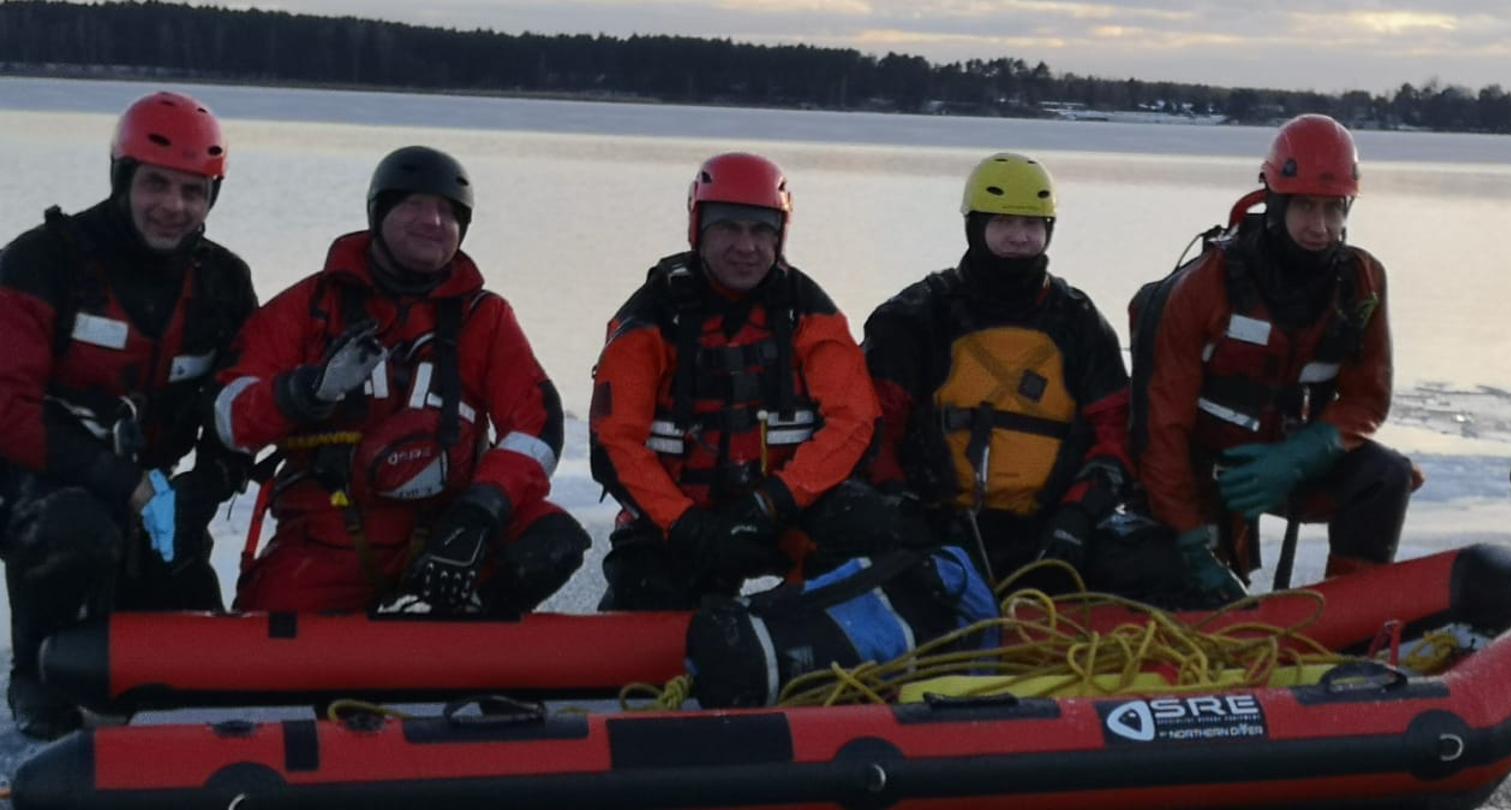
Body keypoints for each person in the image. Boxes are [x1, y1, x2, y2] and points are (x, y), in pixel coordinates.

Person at [212, 145, 587, 615]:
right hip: (330, 537)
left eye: (448, 212)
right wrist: (306, 391)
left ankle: (460, 633)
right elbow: (230, 417)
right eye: (414, 204)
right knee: (271, 631)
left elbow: (536, 427)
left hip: (451, 537)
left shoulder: (485, 318)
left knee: (552, 541)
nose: (433, 221)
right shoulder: (311, 306)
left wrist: (481, 511)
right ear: (378, 213)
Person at [0, 91, 257, 739]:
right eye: (156, 184)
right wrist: (122, 483)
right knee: (75, 530)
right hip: (38, 475)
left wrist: (209, 484)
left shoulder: (224, 283)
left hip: (154, 489)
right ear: (122, 179)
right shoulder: (43, 261)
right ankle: (38, 675)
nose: (174, 206)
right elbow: (6, 407)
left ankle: (133, 665)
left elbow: (243, 402)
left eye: (194, 191)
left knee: (192, 624)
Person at [862, 152, 1215, 601]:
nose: (1019, 237)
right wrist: (900, 505)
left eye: (1032, 225)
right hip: (938, 527)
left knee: (1163, 564)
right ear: (974, 226)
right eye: (1003, 223)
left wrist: (1078, 516)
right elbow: (873, 428)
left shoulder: (1078, 321)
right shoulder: (915, 317)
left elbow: (1115, 433)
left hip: (1050, 530)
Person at [591, 152, 907, 610]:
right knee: (644, 595)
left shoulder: (808, 312)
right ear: (699, 229)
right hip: (677, 523)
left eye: (761, 230)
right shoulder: (650, 317)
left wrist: (772, 502)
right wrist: (685, 524)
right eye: (728, 228)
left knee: (872, 528)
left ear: (780, 236)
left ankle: (814, 628)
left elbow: (854, 421)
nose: (747, 246)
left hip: (782, 513)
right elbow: (614, 441)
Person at [1134, 114, 1413, 593]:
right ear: (1274, 201)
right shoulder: (1202, 288)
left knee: (1386, 477)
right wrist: (1189, 540)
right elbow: (1161, 428)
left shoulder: (1362, 282)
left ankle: (1350, 612)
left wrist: (1304, 454)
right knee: (1193, 593)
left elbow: (1368, 398)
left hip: (1296, 466)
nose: (1320, 227)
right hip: (1207, 473)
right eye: (1305, 206)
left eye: (1334, 209)